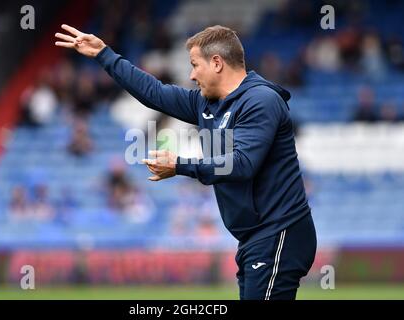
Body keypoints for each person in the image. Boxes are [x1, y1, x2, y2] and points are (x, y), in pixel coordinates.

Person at [55, 24, 316, 300]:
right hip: (257, 237)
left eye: (194, 65)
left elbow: (242, 164)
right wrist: (104, 54)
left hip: (280, 232)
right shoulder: (207, 104)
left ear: (217, 63)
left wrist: (179, 165)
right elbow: (154, 93)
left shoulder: (260, 100)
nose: (191, 75)